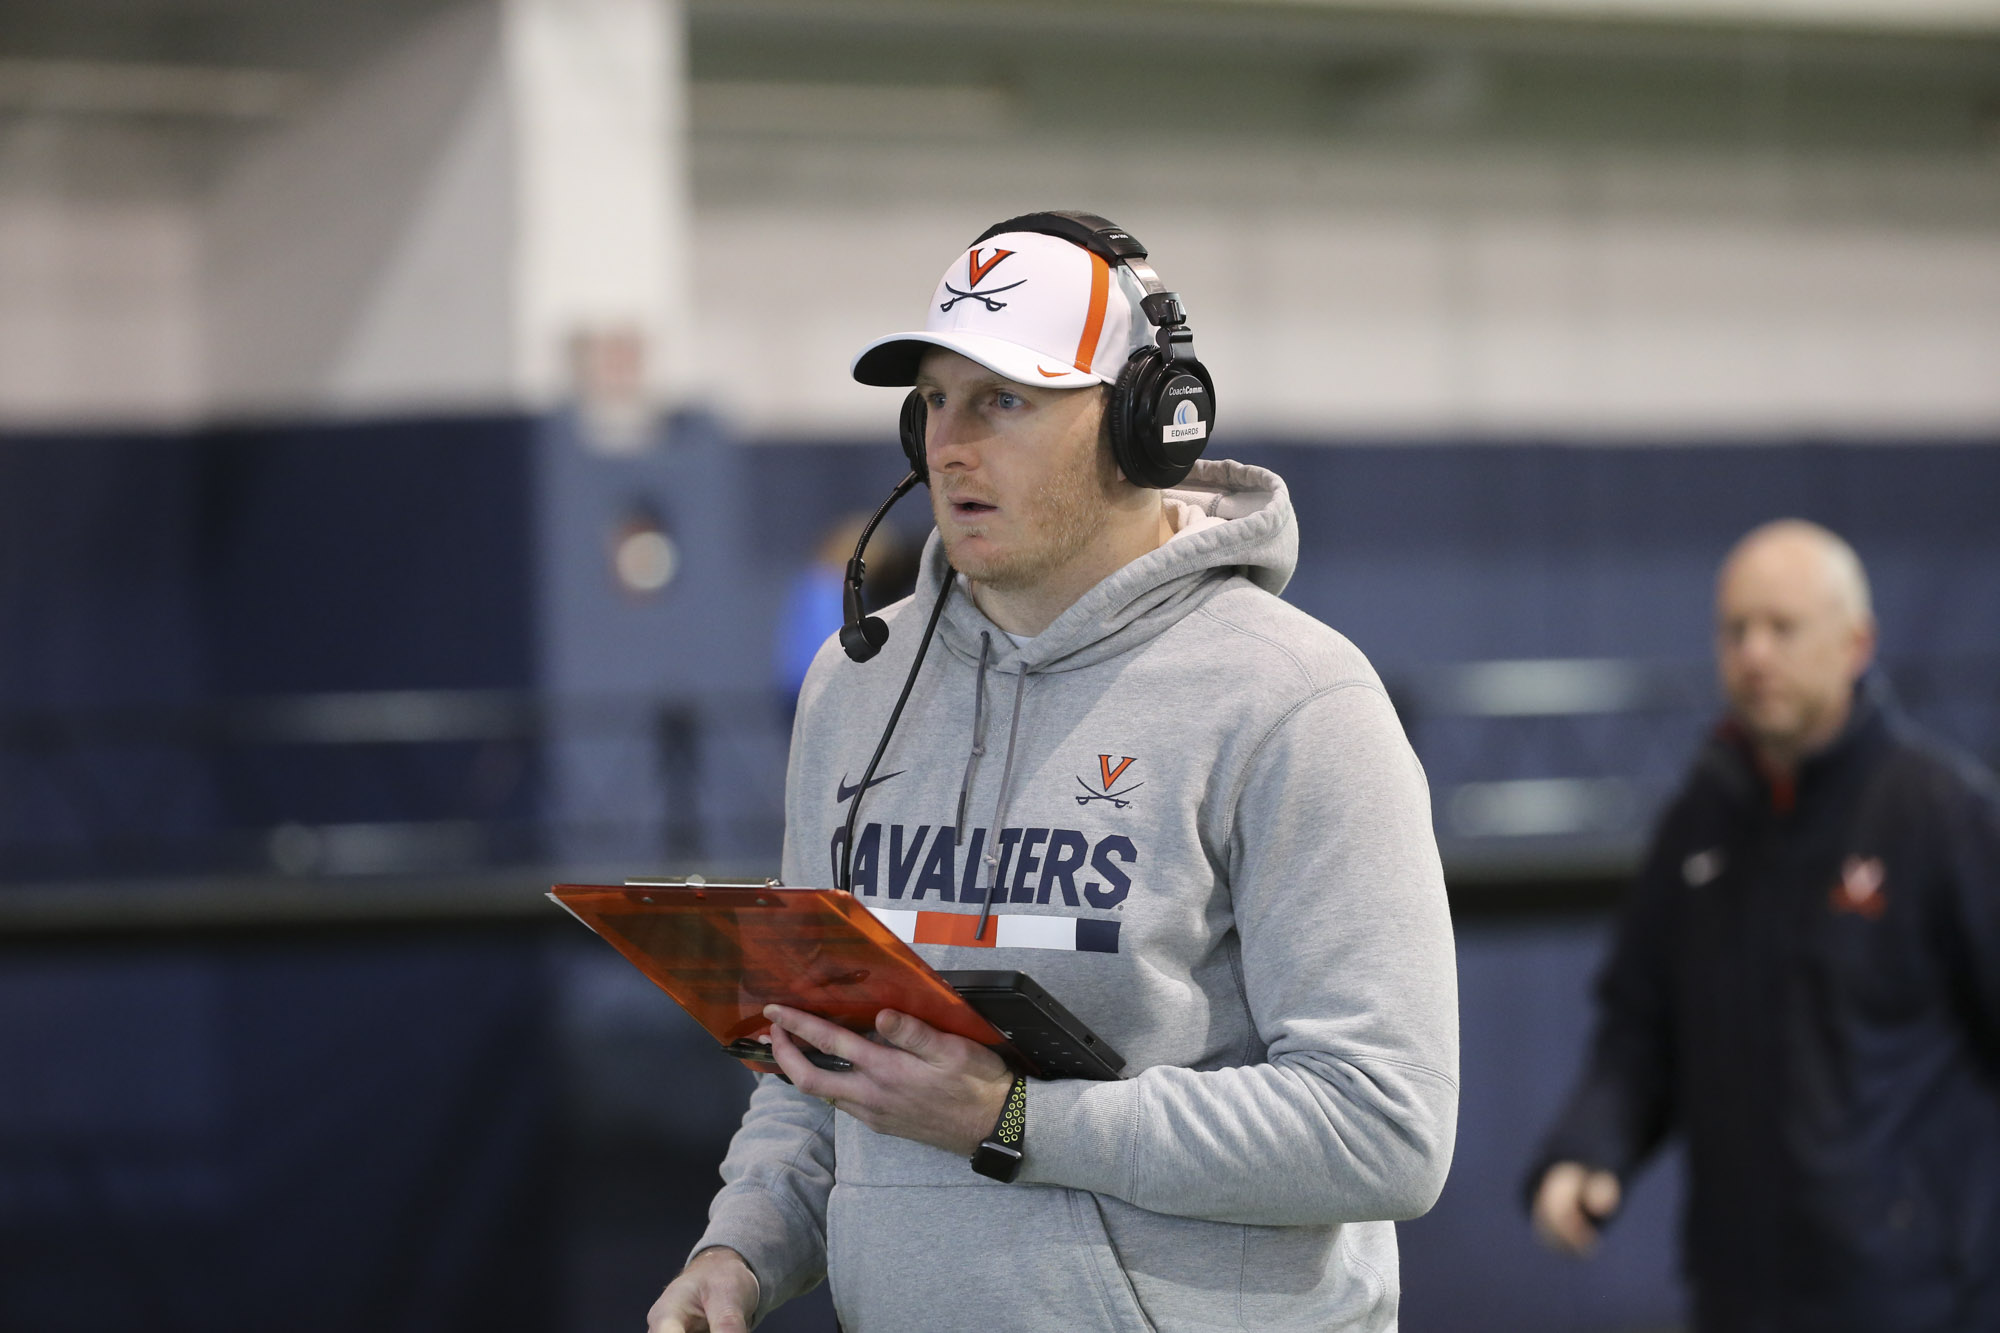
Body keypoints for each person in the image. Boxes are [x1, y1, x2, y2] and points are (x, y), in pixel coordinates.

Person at [649, 212, 1459, 1332]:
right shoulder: (856, 686)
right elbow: (818, 1062)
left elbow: (1383, 1127)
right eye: (933, 399)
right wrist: (738, 1250)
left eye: (1004, 401)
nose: (949, 443)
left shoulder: (1294, 698)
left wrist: (1016, 1118)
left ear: (1144, 422)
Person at [1526, 520, 2000, 1332]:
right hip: (1736, 1292)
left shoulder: (1938, 814)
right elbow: (1640, 1029)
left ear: (1857, 643)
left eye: (1782, 627)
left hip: (1918, 1297)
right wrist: (1586, 1151)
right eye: (1735, 628)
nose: (1754, 652)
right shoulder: (1700, 824)